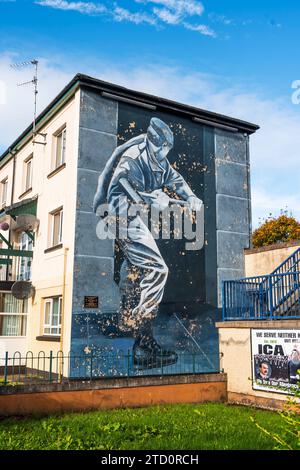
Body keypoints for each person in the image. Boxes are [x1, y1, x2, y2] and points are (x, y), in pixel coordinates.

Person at [93, 117, 203, 368]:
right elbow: (118, 192)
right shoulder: (132, 159)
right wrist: (149, 199)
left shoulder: (158, 161)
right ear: (158, 144)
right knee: (157, 269)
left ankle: (132, 328)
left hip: (131, 214)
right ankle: (142, 340)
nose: (165, 154)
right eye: (163, 149)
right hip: (118, 214)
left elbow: (176, 181)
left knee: (135, 271)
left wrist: (191, 196)